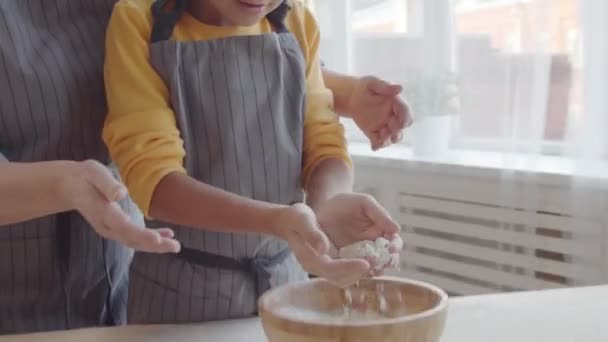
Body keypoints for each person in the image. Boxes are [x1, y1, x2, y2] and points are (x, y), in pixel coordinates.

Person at [0, 0, 406, 334]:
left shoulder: (290, 18)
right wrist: (65, 184)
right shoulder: (140, 19)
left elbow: (303, 103)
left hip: (116, 277)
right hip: (23, 296)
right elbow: (153, 172)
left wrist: (348, 100)